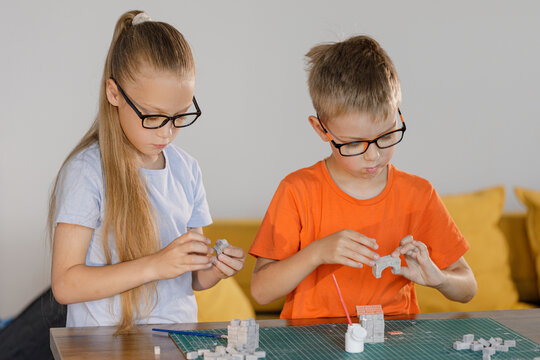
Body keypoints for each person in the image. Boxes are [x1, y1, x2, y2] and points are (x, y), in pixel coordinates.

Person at [249, 35, 477, 319]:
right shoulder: (297, 191)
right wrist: (317, 252)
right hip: (311, 344)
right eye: (354, 144)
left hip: (394, 342)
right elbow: (261, 291)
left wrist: (439, 279)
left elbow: (467, 286)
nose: (373, 156)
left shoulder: (419, 194)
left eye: (387, 136)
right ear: (321, 130)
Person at [49, 10, 245, 332]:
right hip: (103, 350)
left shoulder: (187, 170)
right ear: (114, 93)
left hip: (176, 343)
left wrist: (217, 269)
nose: (166, 133)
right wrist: (155, 265)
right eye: (153, 117)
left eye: (180, 116)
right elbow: (66, 285)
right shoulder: (87, 172)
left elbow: (193, 277)